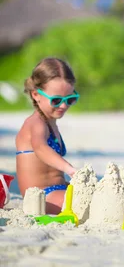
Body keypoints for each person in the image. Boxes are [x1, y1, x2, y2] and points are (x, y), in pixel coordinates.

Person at [16, 57, 79, 214]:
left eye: (70, 99)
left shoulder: (50, 122)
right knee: (86, 203)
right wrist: (70, 170)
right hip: (42, 196)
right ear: (36, 95)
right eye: (56, 100)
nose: (63, 105)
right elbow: (41, 148)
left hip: (58, 189)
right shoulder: (35, 123)